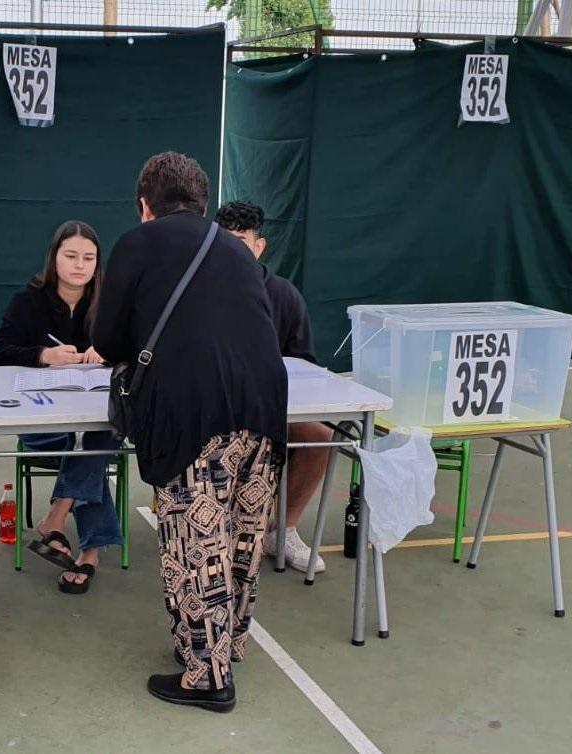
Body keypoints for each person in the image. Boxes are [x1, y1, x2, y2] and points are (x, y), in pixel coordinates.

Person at [93, 153, 287, 712]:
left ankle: (207, 677)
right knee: (242, 534)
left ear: (144, 205)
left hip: (193, 411)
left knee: (196, 542)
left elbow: (107, 341)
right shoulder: (236, 249)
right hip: (265, 407)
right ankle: (228, 645)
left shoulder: (137, 243)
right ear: (203, 202)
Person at [0, 220, 122, 594]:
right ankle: (91, 550)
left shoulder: (110, 303)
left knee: (101, 431)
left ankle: (57, 517)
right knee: (93, 444)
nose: (79, 265)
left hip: (92, 416)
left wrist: (108, 352)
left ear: (98, 263)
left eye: (89, 258)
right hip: (43, 422)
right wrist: (43, 355)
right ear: (54, 258)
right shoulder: (29, 300)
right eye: (71, 255)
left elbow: (137, 350)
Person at [214, 200, 331, 573]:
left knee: (320, 436)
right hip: (213, 409)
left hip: (272, 409)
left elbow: (303, 366)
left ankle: (283, 530)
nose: (231, 250)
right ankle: (209, 528)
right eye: (223, 241)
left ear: (259, 246)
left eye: (240, 241)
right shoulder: (197, 293)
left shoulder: (284, 296)